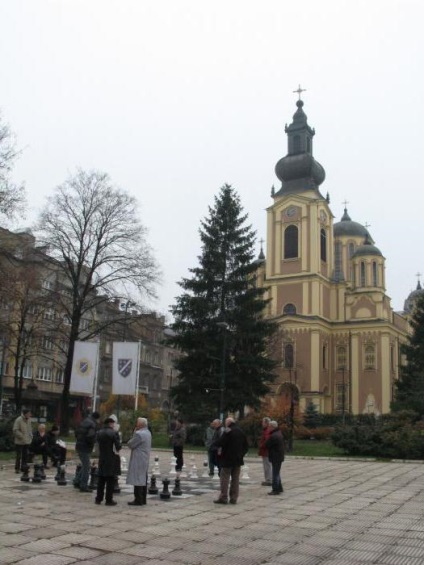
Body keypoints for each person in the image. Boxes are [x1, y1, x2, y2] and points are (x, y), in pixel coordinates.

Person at [213, 417, 248, 505]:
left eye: (225, 423)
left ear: (228, 423)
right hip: (238, 460)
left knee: (224, 478)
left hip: (227, 459)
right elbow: (246, 446)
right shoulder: (241, 431)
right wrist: (241, 454)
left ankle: (223, 497)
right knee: (235, 479)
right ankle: (234, 498)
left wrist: (214, 444)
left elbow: (221, 442)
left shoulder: (228, 431)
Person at [95, 417, 121, 506]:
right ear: (111, 424)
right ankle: (109, 499)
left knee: (101, 479)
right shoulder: (114, 433)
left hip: (102, 458)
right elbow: (118, 446)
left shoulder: (99, 432)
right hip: (111, 458)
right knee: (110, 480)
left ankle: (98, 498)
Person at [126, 417, 152, 506]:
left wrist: (134, 432)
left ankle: (138, 499)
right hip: (144, 458)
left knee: (137, 479)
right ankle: (143, 499)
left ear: (140, 424)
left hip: (138, 458)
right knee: (143, 478)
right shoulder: (148, 433)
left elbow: (130, 444)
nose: (136, 424)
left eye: (137, 423)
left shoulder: (139, 434)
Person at [74, 411, 101, 492]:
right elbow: (91, 436)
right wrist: (94, 441)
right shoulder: (92, 424)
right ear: (97, 418)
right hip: (85, 447)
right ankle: (83, 485)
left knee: (85, 465)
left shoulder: (84, 421)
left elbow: (76, 432)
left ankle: (77, 481)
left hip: (79, 445)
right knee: (87, 467)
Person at [265, 420, 285, 495]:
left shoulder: (274, 436)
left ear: (273, 427)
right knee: (277, 472)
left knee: (275, 473)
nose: (268, 428)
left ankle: (275, 489)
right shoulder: (279, 433)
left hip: (275, 456)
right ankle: (279, 488)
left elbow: (267, 444)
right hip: (279, 456)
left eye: (269, 426)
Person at [13, 409, 33, 473]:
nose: (30, 415)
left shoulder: (29, 419)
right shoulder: (18, 420)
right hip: (19, 441)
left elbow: (30, 428)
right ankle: (17, 468)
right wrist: (21, 436)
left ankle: (24, 468)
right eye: (29, 413)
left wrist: (31, 435)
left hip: (27, 440)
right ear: (25, 414)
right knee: (19, 456)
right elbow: (15, 430)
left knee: (25, 455)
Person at [258, 416, 272, 486]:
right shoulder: (267, 430)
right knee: (268, 465)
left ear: (266, 423)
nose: (262, 424)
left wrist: (261, 445)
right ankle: (269, 479)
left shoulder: (267, 431)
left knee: (267, 466)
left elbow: (267, 440)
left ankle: (268, 480)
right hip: (266, 451)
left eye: (263, 422)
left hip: (266, 451)